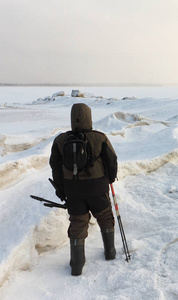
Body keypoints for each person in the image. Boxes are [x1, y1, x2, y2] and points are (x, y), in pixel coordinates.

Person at [49, 103, 118, 276]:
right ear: (89, 117)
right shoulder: (100, 137)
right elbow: (112, 160)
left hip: (73, 189)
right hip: (97, 186)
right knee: (104, 217)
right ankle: (110, 253)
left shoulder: (60, 140)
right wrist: (110, 178)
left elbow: (55, 167)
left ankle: (77, 266)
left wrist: (61, 189)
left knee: (78, 223)